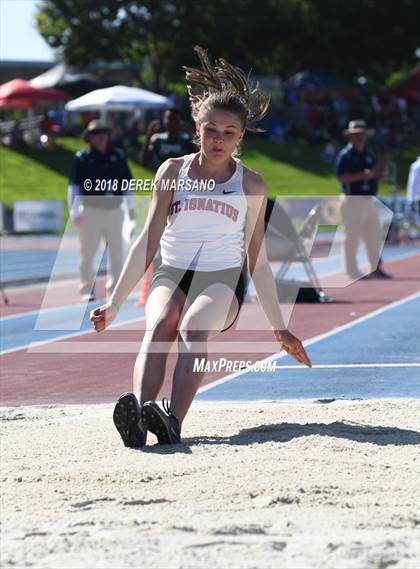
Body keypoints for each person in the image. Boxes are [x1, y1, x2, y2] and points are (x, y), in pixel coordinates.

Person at [90, 46, 312, 448]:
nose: (218, 139)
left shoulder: (251, 184)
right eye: (211, 130)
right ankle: (140, 417)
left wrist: (279, 326)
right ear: (197, 128)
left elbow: (256, 258)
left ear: (241, 137)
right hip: (170, 271)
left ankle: (172, 420)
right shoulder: (172, 171)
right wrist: (115, 302)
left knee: (193, 327)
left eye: (229, 133)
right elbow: (148, 239)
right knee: (160, 325)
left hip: (221, 280)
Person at [68, 120, 136, 301]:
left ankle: (114, 289)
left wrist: (130, 207)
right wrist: (74, 212)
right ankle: (86, 288)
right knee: (88, 252)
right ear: (89, 138)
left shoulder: (118, 156)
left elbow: (126, 183)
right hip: (91, 211)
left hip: (114, 210)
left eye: (104, 133)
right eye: (96, 134)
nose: (101, 137)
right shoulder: (82, 158)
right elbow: (74, 188)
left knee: (116, 251)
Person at [335, 120, 392, 280]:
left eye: (362, 134)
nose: (360, 137)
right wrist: (362, 175)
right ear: (350, 136)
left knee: (373, 235)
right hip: (352, 199)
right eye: (356, 134)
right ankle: (351, 269)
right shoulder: (345, 155)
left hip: (368, 200)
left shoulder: (368, 155)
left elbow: (374, 175)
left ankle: (376, 267)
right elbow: (341, 178)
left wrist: (381, 173)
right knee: (351, 236)